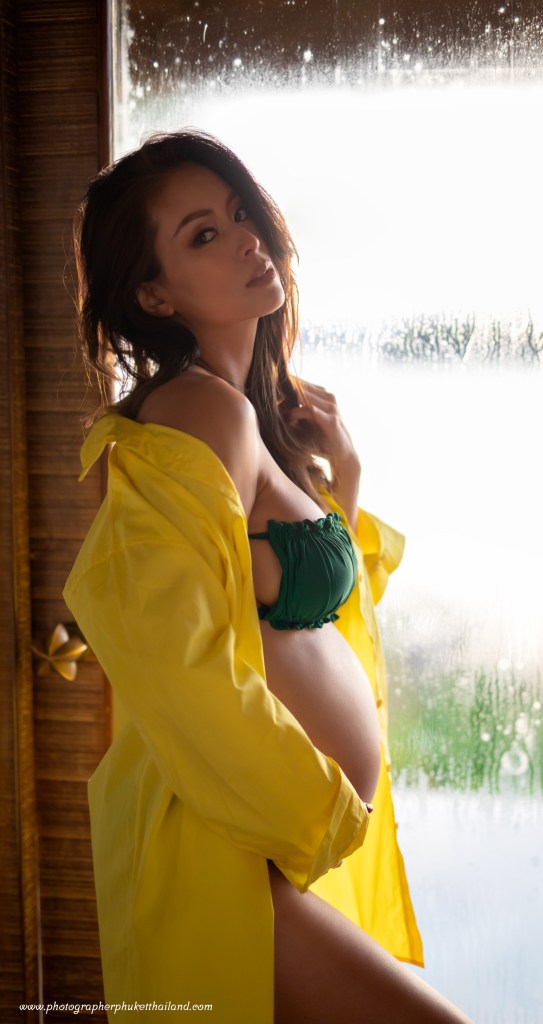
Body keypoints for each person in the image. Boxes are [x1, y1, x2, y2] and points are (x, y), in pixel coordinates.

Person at [64, 130, 474, 1024]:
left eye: (242, 213)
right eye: (202, 233)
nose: (246, 238)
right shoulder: (193, 411)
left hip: (263, 854)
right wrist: (321, 815)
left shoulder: (240, 416)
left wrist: (346, 485)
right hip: (227, 855)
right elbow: (169, 646)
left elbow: (295, 615)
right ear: (153, 292)